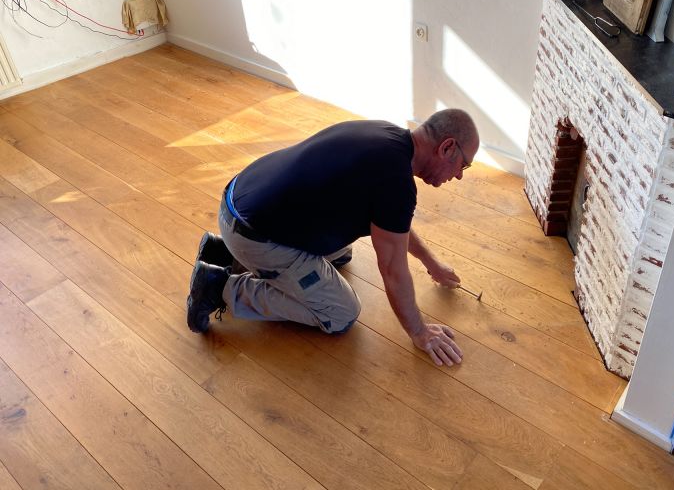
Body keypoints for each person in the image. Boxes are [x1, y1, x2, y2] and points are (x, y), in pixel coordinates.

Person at [186, 108, 479, 366]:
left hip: (238, 202)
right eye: (463, 166)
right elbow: (392, 270)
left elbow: (394, 225)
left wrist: (431, 263)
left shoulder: (386, 134)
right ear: (447, 147)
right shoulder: (395, 181)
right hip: (253, 234)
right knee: (340, 314)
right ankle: (219, 286)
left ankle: (223, 253)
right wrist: (419, 332)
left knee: (341, 252)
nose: (459, 176)